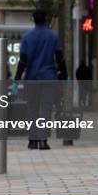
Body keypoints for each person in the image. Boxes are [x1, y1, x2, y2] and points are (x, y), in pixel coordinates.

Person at [12, 9, 67, 150]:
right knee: (46, 110)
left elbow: (22, 61)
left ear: (33, 19)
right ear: (46, 19)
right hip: (49, 78)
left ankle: (32, 140)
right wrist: (64, 76)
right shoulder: (53, 36)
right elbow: (60, 58)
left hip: (32, 78)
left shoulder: (27, 37)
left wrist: (16, 81)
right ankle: (43, 140)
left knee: (32, 109)